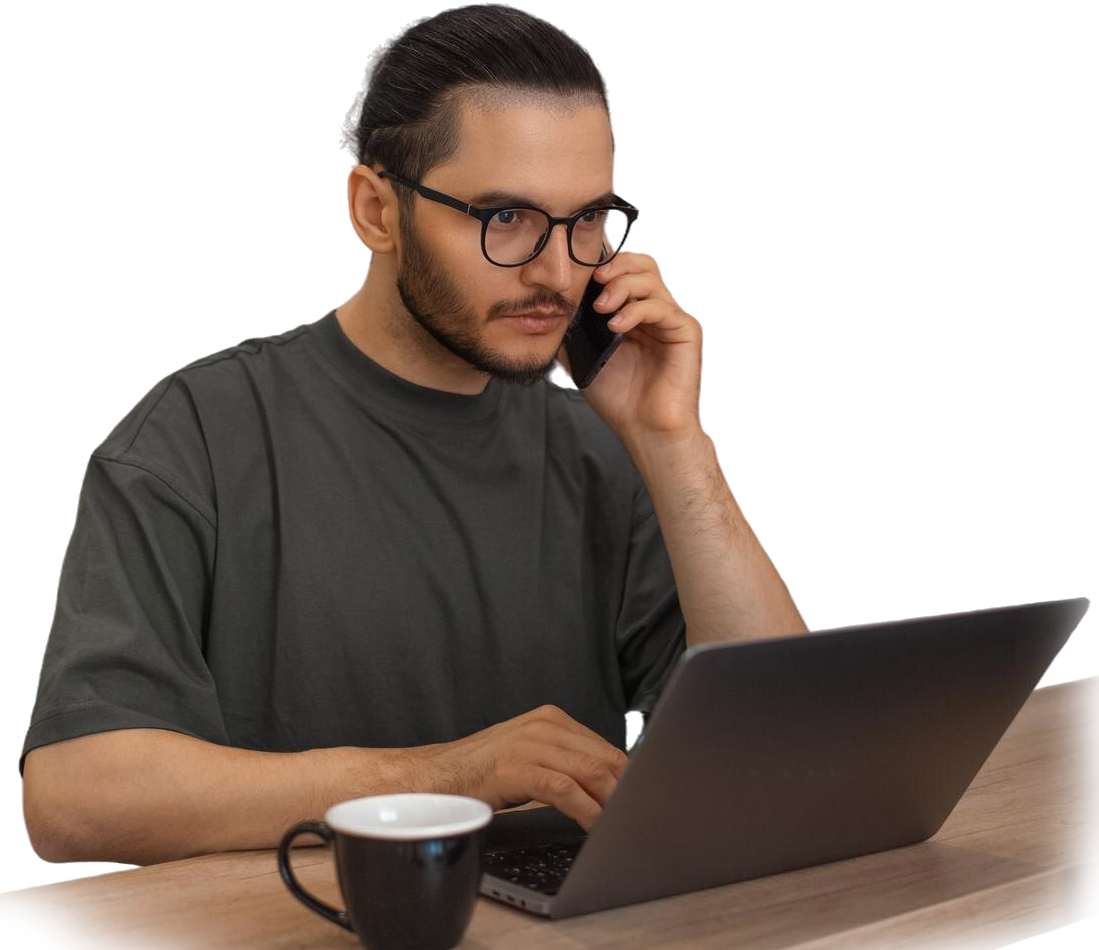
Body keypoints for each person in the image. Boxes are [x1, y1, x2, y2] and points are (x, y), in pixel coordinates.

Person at [17, 5, 688, 866]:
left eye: (586, 220)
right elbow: (72, 799)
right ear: (374, 209)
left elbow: (785, 747)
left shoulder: (608, 443)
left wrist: (679, 441)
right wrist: (450, 773)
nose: (559, 272)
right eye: (506, 219)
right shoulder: (191, 435)